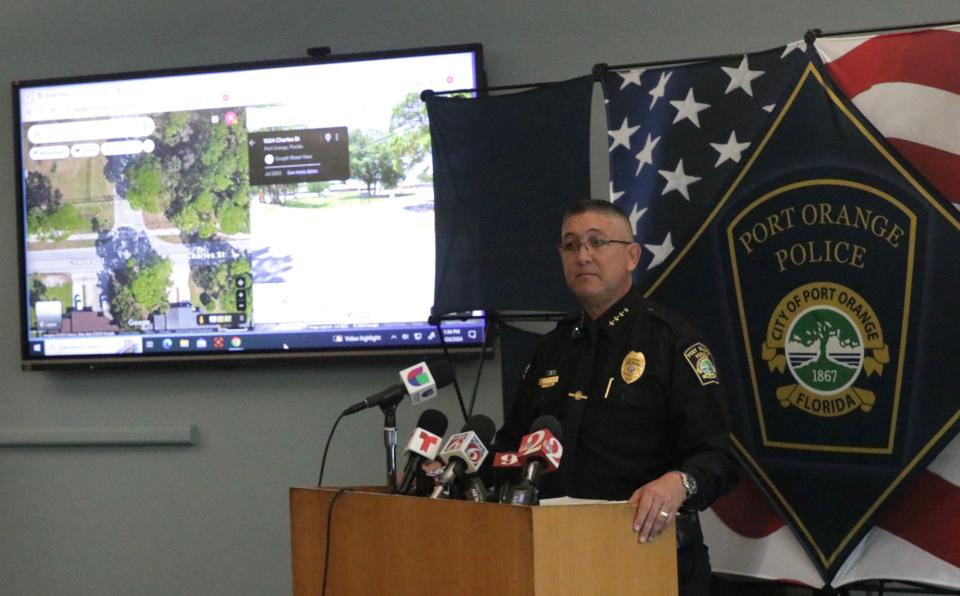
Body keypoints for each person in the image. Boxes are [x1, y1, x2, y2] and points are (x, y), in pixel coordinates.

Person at [497, 198, 738, 595]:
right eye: (571, 245)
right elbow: (511, 447)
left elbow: (719, 458)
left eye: (597, 242)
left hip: (647, 558)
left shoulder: (671, 342)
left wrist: (678, 484)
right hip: (557, 561)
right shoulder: (552, 350)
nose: (583, 256)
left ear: (631, 256)